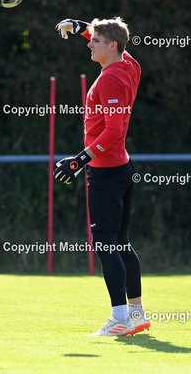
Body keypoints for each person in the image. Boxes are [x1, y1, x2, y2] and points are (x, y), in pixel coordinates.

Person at [54, 18, 150, 336]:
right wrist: (82, 26)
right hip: (122, 167)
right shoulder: (129, 65)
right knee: (121, 243)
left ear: (112, 46)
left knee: (107, 246)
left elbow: (114, 130)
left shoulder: (109, 79)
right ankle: (136, 315)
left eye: (95, 40)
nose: (89, 43)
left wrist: (78, 161)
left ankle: (120, 319)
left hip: (106, 172)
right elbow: (117, 42)